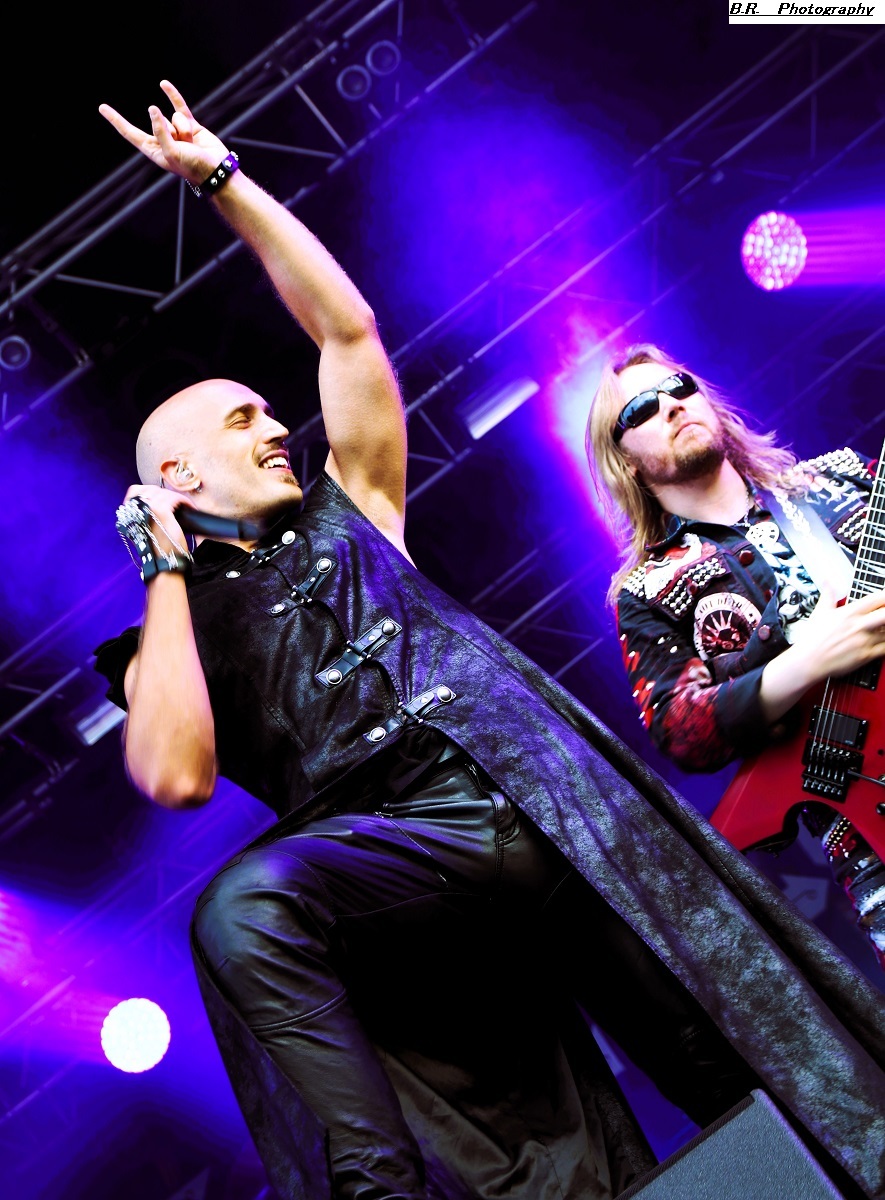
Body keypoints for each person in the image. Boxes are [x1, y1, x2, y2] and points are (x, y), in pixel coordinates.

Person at [92, 85, 885, 1200]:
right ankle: (380, 1188)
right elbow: (174, 776)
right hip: (407, 857)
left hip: (549, 803)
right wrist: (164, 570)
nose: (277, 427)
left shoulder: (352, 507)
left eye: (270, 411)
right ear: (178, 473)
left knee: (721, 1056)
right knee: (242, 909)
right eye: (244, 421)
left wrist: (224, 181)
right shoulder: (164, 630)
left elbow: (346, 332)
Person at [585, 343, 885, 974]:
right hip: (868, 828)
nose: (671, 405)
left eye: (679, 387)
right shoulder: (646, 593)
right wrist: (805, 662)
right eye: (641, 408)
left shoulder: (841, 479)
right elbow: (683, 729)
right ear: (627, 462)